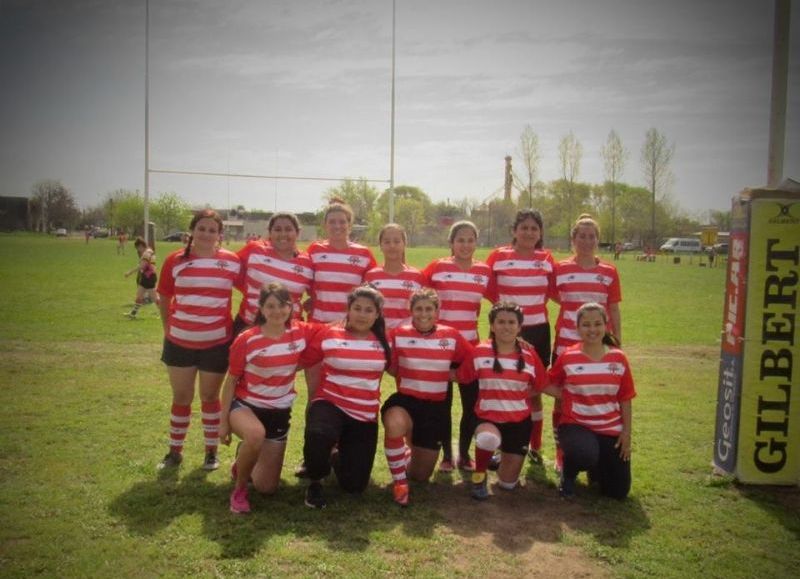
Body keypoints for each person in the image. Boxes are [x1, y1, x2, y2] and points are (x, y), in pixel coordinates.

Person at [219, 282, 318, 514]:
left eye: (283, 305)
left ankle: (242, 463)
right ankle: (240, 490)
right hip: (245, 406)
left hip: (279, 411)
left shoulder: (300, 331)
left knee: (266, 487)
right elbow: (231, 380)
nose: (277, 311)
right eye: (270, 306)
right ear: (261, 309)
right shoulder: (246, 339)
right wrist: (223, 422)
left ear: (291, 307)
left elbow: (333, 329)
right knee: (255, 434)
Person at [295, 199, 376, 478]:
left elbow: (372, 295)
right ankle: (312, 456)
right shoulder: (315, 251)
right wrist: (309, 302)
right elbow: (303, 284)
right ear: (325, 225)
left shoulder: (364, 254)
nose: (338, 226)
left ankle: (341, 450)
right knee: (317, 394)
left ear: (350, 225)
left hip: (352, 335)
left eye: (343, 221)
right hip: (319, 330)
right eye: (332, 222)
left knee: (346, 393)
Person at [156, 210, 241, 471]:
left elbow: (252, 289)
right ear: (192, 231)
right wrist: (169, 327)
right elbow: (164, 296)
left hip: (216, 343)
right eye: (201, 228)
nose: (206, 234)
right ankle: (174, 451)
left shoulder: (231, 261)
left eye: (212, 230)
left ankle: (211, 452)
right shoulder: (175, 260)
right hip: (179, 342)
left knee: (209, 397)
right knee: (181, 397)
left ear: (219, 234)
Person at [299, 285, 391, 509]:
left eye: (368, 310)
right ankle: (316, 480)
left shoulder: (385, 341)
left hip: (364, 414)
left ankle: (335, 456)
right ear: (348, 310)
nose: (362, 314)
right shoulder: (329, 333)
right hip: (330, 401)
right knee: (319, 433)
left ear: (377, 314)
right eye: (357, 308)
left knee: (355, 486)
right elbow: (305, 359)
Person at [381, 288, 471, 506]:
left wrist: (455, 375)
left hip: (434, 408)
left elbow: (474, 358)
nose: (423, 314)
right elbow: (389, 365)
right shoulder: (398, 334)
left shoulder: (451, 335)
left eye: (429, 309)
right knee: (394, 423)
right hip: (406, 401)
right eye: (418, 309)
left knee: (420, 476)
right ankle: (399, 483)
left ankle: (405, 454)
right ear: (410, 311)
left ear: (437, 311)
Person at [551, 214, 622, 472]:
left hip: (599, 347)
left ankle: (594, 447)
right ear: (573, 239)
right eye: (582, 236)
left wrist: (617, 343)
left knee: (597, 396)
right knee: (562, 400)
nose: (587, 241)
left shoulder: (608, 272)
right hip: (566, 345)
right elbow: (553, 295)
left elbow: (613, 309)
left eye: (592, 236)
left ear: (598, 240)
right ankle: (562, 453)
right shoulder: (560, 269)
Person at [457, 302, 547, 500]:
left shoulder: (530, 355)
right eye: (501, 322)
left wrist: (516, 393)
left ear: (519, 327)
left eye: (511, 322)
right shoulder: (479, 351)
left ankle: (498, 458)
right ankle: (479, 477)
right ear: (492, 325)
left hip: (519, 423)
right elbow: (462, 376)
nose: (506, 326)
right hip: (488, 419)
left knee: (507, 484)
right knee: (488, 438)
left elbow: (540, 385)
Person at [486, 209, 555, 464]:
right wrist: (507, 318)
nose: (528, 232)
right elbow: (490, 290)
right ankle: (496, 445)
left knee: (533, 389)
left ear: (540, 233)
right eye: (523, 227)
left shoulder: (547, 259)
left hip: (537, 329)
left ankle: (535, 446)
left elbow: (553, 291)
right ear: (514, 231)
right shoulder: (499, 257)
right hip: (505, 328)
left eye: (534, 229)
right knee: (498, 387)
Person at [547, 302, 635, 499]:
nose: (592, 329)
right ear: (577, 328)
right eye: (586, 325)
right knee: (584, 453)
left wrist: (626, 433)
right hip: (576, 424)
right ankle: (568, 475)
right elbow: (548, 383)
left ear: (606, 326)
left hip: (610, 428)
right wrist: (568, 395)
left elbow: (626, 398)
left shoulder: (618, 358)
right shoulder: (568, 356)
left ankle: (596, 468)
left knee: (618, 493)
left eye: (597, 324)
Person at [423, 220, 491, 472]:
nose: (465, 244)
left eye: (470, 239)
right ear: (451, 243)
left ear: (476, 242)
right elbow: (419, 297)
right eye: (460, 239)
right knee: (443, 404)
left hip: (470, 347)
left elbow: (501, 299)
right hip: (440, 345)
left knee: (471, 402)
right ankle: (447, 457)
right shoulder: (438, 267)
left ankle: (464, 454)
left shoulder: (484, 271)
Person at [234, 212, 314, 336]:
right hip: (248, 325)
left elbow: (317, 293)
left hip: (288, 331)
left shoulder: (308, 262)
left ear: (297, 232)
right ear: (270, 232)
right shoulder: (255, 250)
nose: (283, 234)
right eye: (277, 229)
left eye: (288, 229)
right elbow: (231, 271)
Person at [364, 223, 426, 329]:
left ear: (404, 244)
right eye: (387, 242)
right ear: (380, 245)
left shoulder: (417, 276)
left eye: (397, 241)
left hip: (407, 337)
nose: (392, 246)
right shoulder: (371, 276)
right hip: (379, 336)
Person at [124, 237, 159, 319]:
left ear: (140, 246)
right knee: (139, 296)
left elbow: (142, 266)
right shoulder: (149, 251)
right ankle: (133, 314)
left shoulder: (147, 253)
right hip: (147, 277)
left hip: (149, 278)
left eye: (137, 248)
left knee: (154, 298)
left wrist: (130, 272)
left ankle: (165, 312)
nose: (138, 250)